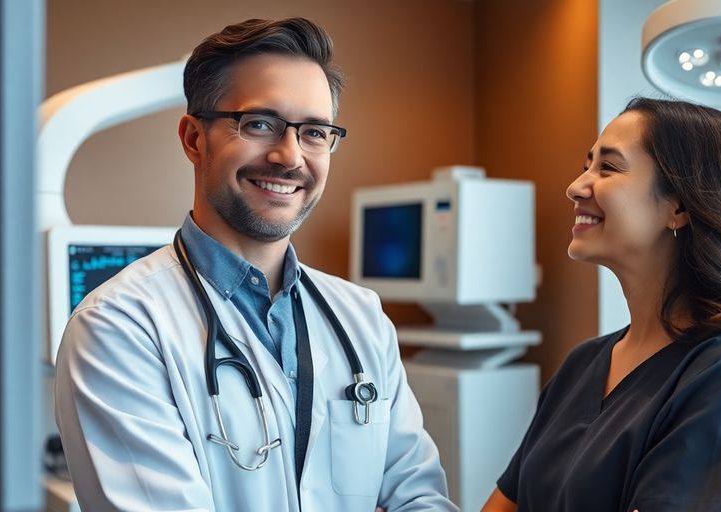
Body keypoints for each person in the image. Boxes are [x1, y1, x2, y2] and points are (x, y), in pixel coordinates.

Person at [54, 18, 456, 512]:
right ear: (193, 139)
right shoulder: (118, 327)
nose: (289, 156)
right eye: (259, 123)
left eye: (314, 132)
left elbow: (421, 499)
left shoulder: (362, 318)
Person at [482, 98, 721, 512]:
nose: (576, 186)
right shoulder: (582, 365)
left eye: (608, 167)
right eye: (587, 165)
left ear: (679, 207)